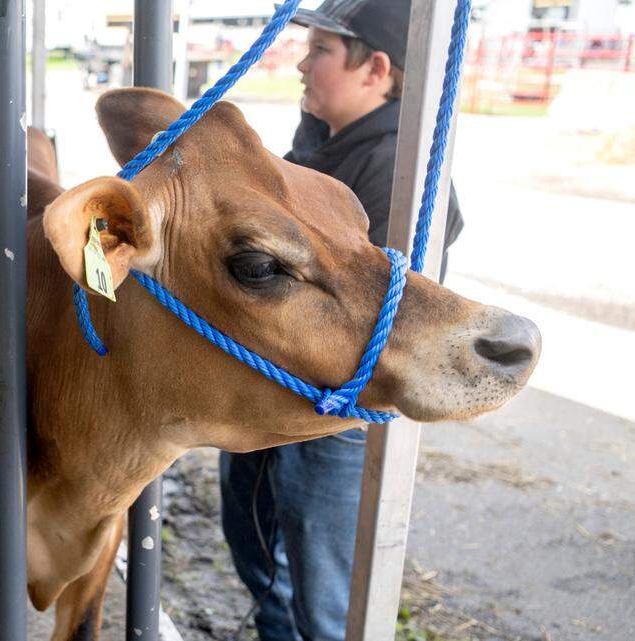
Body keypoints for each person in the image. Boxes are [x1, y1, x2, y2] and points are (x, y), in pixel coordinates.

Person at [220, 2, 464, 640]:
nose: (302, 62)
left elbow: (384, 315)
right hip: (270, 384)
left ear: (375, 68)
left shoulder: (394, 170)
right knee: (258, 554)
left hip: (333, 411)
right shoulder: (313, 150)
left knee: (324, 592)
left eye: (322, 49)